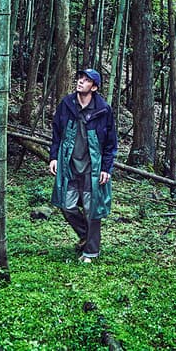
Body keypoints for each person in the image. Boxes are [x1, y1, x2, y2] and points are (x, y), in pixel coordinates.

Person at [49, 68, 118, 263]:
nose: (80, 82)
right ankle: (86, 236)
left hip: (92, 168)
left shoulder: (103, 109)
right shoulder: (66, 104)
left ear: (94, 87)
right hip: (68, 164)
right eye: (80, 78)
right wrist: (53, 157)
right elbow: (56, 133)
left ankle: (91, 252)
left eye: (86, 80)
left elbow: (111, 142)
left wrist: (106, 168)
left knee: (92, 208)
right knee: (66, 204)